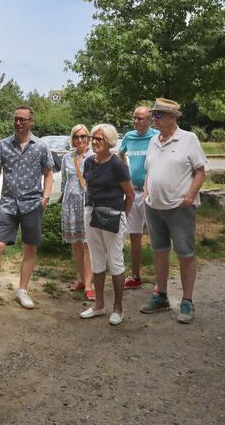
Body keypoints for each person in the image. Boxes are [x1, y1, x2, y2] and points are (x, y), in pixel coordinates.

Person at [0, 106, 54, 313]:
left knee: (29, 248)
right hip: (8, 204)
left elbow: (48, 173)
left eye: (22, 120)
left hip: (32, 204)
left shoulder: (41, 147)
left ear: (31, 122)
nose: (18, 123)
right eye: (15, 119)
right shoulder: (3, 145)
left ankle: (22, 290)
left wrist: (45, 198)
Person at [139, 98, 206, 324]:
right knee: (159, 252)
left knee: (185, 254)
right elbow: (150, 170)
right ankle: (162, 296)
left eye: (158, 115)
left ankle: (187, 301)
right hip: (154, 206)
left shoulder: (188, 139)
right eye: (153, 115)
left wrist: (189, 197)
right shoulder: (153, 141)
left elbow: (200, 172)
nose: (153, 119)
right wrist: (147, 192)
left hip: (179, 207)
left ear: (172, 117)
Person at [78, 124, 135, 326]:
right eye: (93, 138)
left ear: (109, 142)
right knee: (96, 259)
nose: (94, 142)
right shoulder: (88, 162)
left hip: (112, 214)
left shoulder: (117, 164)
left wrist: (122, 217)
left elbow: (130, 194)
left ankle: (118, 308)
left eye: (99, 139)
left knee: (115, 261)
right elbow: (89, 188)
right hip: (91, 213)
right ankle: (99, 305)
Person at [119, 105, 159, 289]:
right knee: (134, 236)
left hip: (151, 193)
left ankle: (160, 282)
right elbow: (120, 155)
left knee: (156, 236)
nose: (135, 121)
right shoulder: (128, 137)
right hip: (132, 193)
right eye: (134, 118)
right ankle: (135, 276)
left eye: (140, 118)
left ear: (149, 120)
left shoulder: (156, 137)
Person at [60, 124, 95, 301]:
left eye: (83, 136)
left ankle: (89, 284)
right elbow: (64, 182)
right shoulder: (67, 157)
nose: (79, 139)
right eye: (76, 136)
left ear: (88, 138)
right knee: (76, 243)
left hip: (88, 204)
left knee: (88, 243)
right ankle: (82, 279)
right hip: (70, 204)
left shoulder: (94, 156)